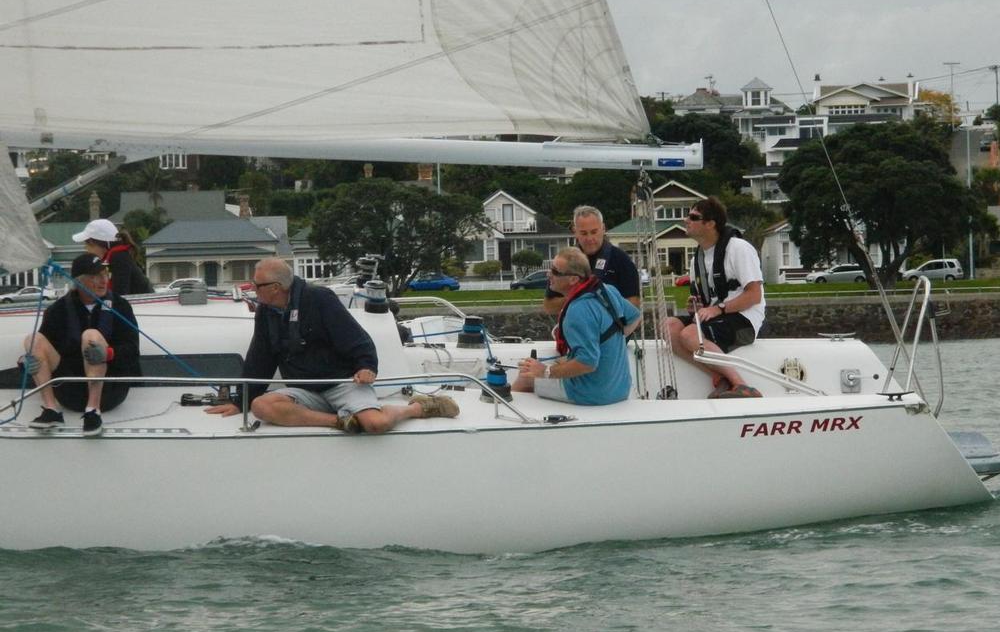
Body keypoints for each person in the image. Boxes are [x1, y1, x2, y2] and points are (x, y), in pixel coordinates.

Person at [205, 258, 459, 432]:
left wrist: (366, 366)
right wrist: (241, 401)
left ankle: (417, 408)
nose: (252, 289)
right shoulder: (266, 312)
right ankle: (341, 422)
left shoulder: (319, 299)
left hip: (342, 384)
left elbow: (358, 341)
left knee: (375, 424)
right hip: (305, 391)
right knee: (260, 406)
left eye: (256, 285)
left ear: (275, 287)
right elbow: (260, 358)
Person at [20, 253, 142, 435]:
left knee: (91, 335)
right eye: (95, 276)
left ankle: (93, 411)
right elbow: (43, 349)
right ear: (78, 282)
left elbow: (133, 350)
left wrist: (108, 353)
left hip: (110, 392)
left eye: (105, 274)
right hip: (70, 392)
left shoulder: (120, 306)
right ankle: (51, 410)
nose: (103, 281)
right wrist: (25, 363)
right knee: (33, 340)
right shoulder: (58, 310)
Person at [664, 197, 765, 399]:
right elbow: (705, 301)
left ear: (710, 224)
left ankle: (742, 386)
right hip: (717, 316)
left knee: (690, 334)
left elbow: (754, 295)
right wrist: (697, 307)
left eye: (693, 217)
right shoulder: (696, 260)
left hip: (744, 321)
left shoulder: (739, 248)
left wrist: (718, 309)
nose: (686, 220)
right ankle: (720, 378)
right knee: (669, 328)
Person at [514, 247, 641, 405]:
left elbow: (587, 363)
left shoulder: (577, 311)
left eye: (555, 271)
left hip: (591, 393)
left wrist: (544, 371)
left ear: (573, 279)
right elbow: (635, 317)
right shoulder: (607, 291)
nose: (549, 274)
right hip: (620, 388)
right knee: (555, 365)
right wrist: (611, 346)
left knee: (525, 375)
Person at [542, 205, 641, 315]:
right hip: (576, 327)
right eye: (584, 233)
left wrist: (602, 302)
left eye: (594, 232)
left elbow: (634, 304)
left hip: (610, 329)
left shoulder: (622, 260)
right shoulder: (564, 262)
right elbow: (549, 306)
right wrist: (579, 295)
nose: (589, 238)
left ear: (603, 229)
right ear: (575, 231)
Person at [73, 218, 154, 295]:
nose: (86, 249)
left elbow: (120, 293)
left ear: (95, 243)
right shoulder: (113, 257)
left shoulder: (119, 257)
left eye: (87, 245)